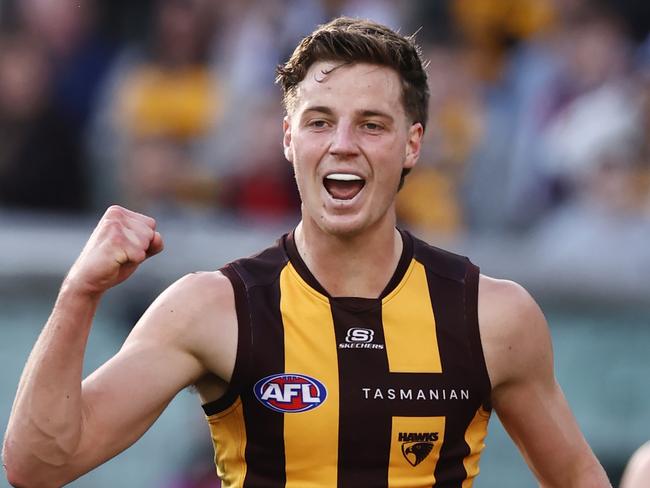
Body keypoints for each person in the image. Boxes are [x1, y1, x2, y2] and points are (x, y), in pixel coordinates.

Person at [2, 17, 612, 488]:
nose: (343, 144)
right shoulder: (212, 307)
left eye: (371, 124)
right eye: (320, 122)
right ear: (289, 138)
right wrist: (78, 293)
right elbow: (38, 465)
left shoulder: (492, 317)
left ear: (412, 144)